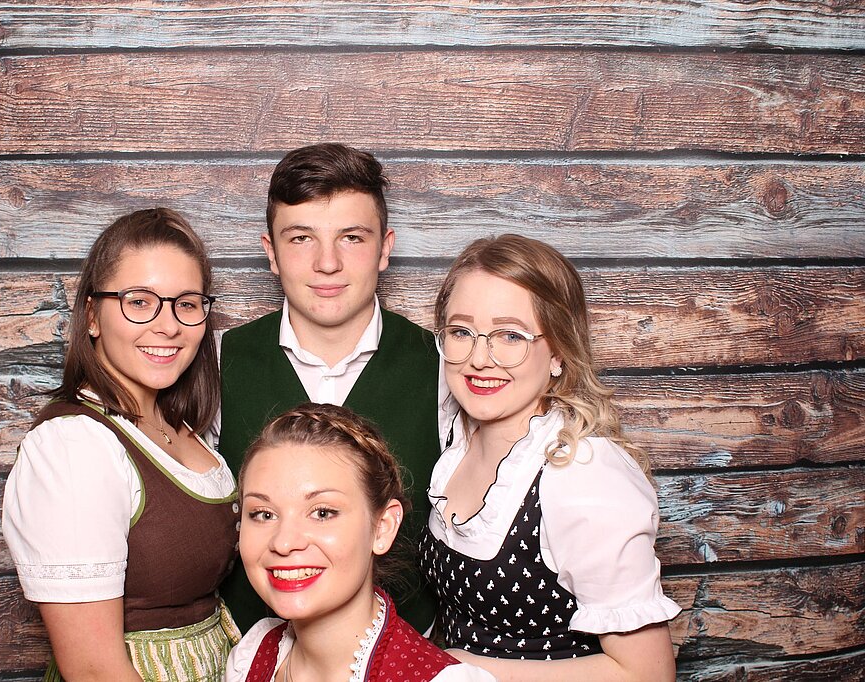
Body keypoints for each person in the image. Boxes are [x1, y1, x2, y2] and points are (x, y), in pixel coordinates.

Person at [418, 235, 681, 680]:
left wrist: (461, 668)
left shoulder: (582, 473)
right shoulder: (454, 437)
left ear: (558, 350)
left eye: (511, 335)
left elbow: (648, 674)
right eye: (461, 332)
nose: (479, 359)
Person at [3, 208, 241, 681]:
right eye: (139, 301)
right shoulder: (73, 445)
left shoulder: (179, 426)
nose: (168, 325)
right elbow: (94, 669)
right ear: (93, 315)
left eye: (186, 304)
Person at [217, 143, 445, 631]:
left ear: (385, 248)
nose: (327, 263)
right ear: (271, 253)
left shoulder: (446, 364)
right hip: (248, 650)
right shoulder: (214, 361)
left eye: (352, 238)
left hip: (409, 650)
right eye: (301, 238)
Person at [226, 403, 495, 682]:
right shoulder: (251, 654)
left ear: (382, 528)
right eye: (264, 514)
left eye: (322, 513)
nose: (283, 543)